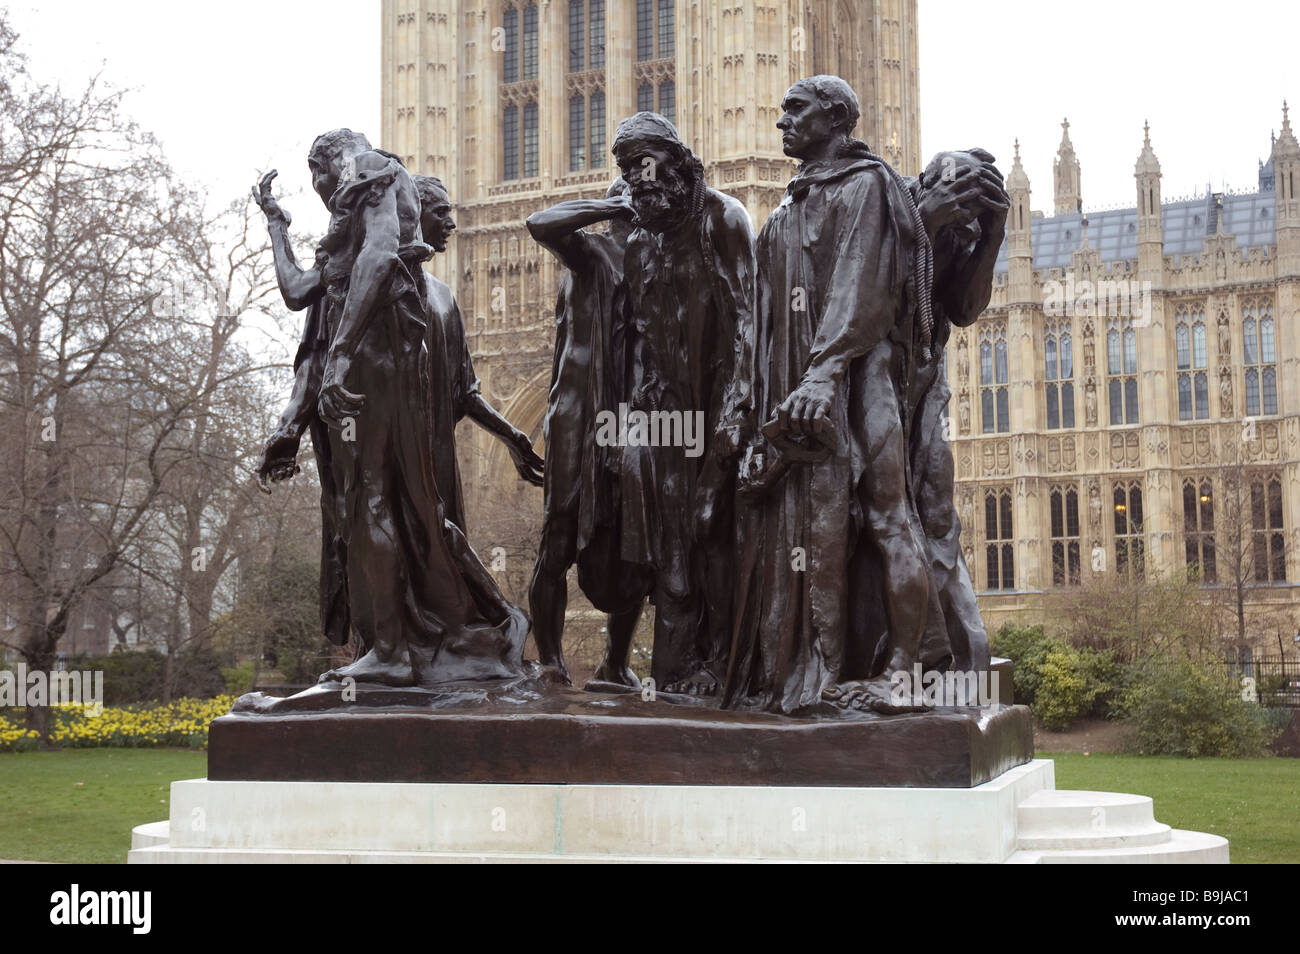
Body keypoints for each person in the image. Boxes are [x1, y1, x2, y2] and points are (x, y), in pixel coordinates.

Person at [722, 78, 1001, 713]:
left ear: (837, 119)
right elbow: (760, 322)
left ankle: (908, 670)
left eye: (796, 110)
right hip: (823, 386)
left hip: (869, 380)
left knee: (893, 517)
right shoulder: (788, 215)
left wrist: (825, 372)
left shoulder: (871, 185)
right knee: (850, 523)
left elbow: (866, 287)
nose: (781, 122)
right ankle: (841, 660)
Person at [254, 129, 526, 687]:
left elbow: (379, 256)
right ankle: (416, 636)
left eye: (318, 180)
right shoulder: (356, 214)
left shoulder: (370, 169)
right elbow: (301, 292)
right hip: (373, 368)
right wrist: (277, 227)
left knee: (372, 502)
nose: (323, 192)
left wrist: (342, 358)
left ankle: (393, 652)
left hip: (374, 367)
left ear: (327, 162)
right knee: (390, 508)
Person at [611, 113, 757, 694]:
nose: (636, 189)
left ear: (677, 167)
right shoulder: (639, 244)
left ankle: (724, 668)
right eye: (627, 179)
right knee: (672, 551)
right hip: (669, 422)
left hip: (723, 414)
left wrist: (731, 423)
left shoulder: (722, 219)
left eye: (645, 174)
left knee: (716, 536)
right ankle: (674, 674)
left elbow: (749, 325)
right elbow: (642, 341)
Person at [524, 179, 652, 684]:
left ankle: (615, 663)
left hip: (635, 418)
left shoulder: (658, 267)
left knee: (636, 536)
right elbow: (540, 224)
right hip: (578, 415)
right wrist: (611, 203)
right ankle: (552, 661)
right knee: (558, 535)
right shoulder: (590, 252)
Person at [412, 174, 543, 537]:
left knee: (450, 552)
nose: (452, 223)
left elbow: (465, 393)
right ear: (411, 213)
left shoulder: (442, 296)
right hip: (397, 459)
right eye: (440, 212)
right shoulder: (381, 290)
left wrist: (514, 437)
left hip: (438, 458)